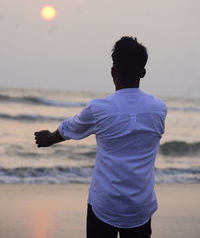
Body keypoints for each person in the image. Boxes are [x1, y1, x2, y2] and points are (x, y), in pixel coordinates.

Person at [34, 36, 167, 238]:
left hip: (105, 205)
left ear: (113, 71)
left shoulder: (99, 109)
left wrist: (48, 138)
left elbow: (71, 128)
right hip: (140, 206)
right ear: (143, 72)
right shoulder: (159, 109)